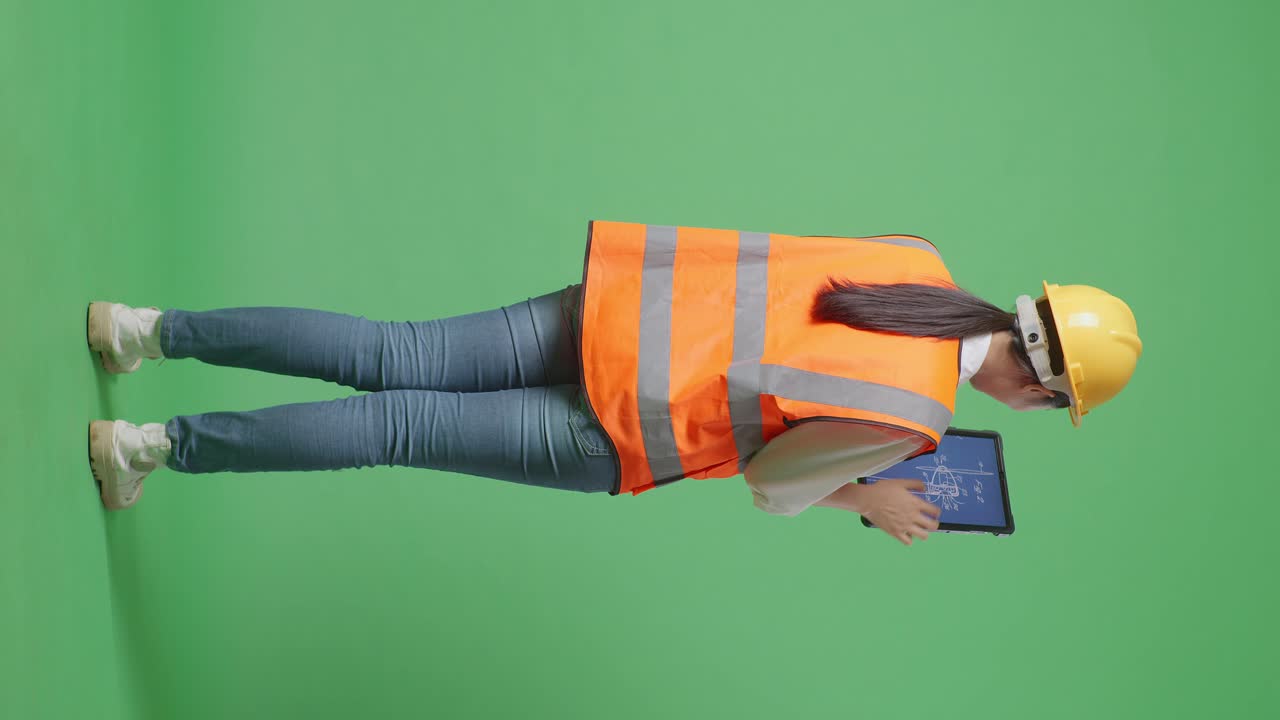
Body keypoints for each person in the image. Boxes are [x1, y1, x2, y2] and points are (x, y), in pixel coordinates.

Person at [87, 221, 1142, 545]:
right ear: (1042, 394)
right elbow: (772, 481)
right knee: (394, 429)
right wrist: (867, 496)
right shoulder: (916, 418)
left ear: (1026, 312)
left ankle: (140, 330)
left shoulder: (916, 260)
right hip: (622, 425)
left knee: (388, 351)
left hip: (606, 308)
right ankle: (146, 448)